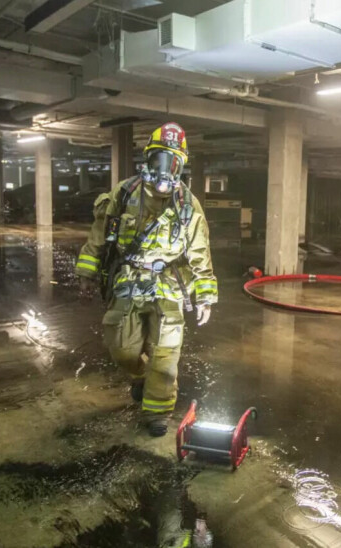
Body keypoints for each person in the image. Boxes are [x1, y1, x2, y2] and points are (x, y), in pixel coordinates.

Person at [75, 122, 217, 436]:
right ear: (148, 159)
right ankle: (140, 375)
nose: (165, 168)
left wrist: (205, 294)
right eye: (159, 159)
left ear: (181, 165)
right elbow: (98, 236)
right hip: (127, 279)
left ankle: (158, 413)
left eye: (173, 161)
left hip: (168, 284)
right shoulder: (124, 194)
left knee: (165, 357)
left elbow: (199, 252)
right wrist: (87, 273)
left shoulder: (188, 206)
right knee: (122, 350)